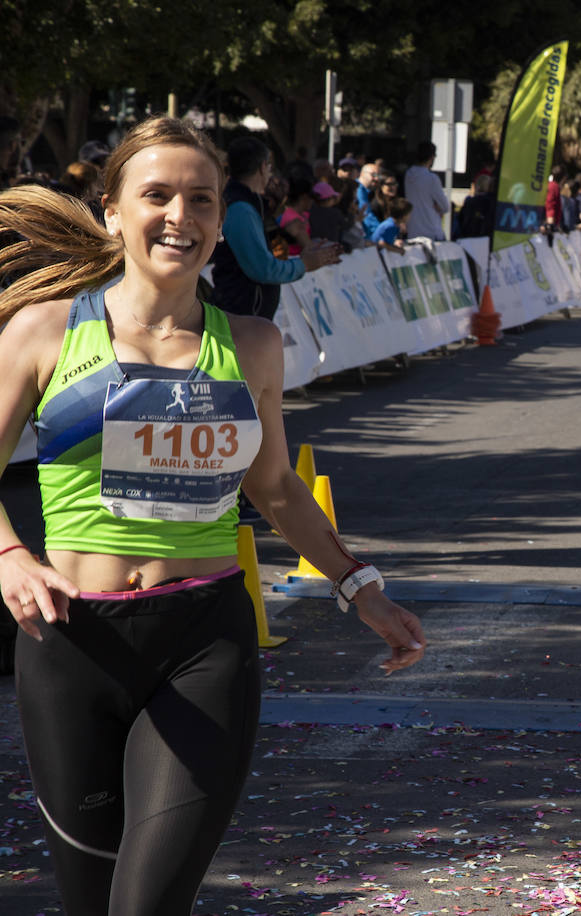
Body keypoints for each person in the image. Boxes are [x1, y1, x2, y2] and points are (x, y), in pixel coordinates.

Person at [0, 115, 426, 915]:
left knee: (148, 903)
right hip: (69, 646)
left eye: (202, 199)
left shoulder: (255, 344)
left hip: (203, 644)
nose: (181, 217)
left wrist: (360, 587)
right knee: (91, 901)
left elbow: (276, 491)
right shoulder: (45, 329)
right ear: (111, 211)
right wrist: (9, 556)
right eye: (156, 195)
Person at [209, 135, 340, 320]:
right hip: (240, 319)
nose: (271, 174)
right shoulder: (241, 209)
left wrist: (308, 252)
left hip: (244, 318)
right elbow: (262, 269)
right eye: (269, 167)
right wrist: (304, 264)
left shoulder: (247, 204)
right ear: (263, 167)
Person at [403, 141, 450, 241]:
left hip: (413, 230)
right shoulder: (432, 178)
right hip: (431, 231)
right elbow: (445, 206)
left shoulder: (408, 175)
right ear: (432, 157)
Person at [457, 173, 495, 238]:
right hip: (484, 237)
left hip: (467, 236)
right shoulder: (491, 202)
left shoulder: (469, 201)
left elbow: (460, 219)